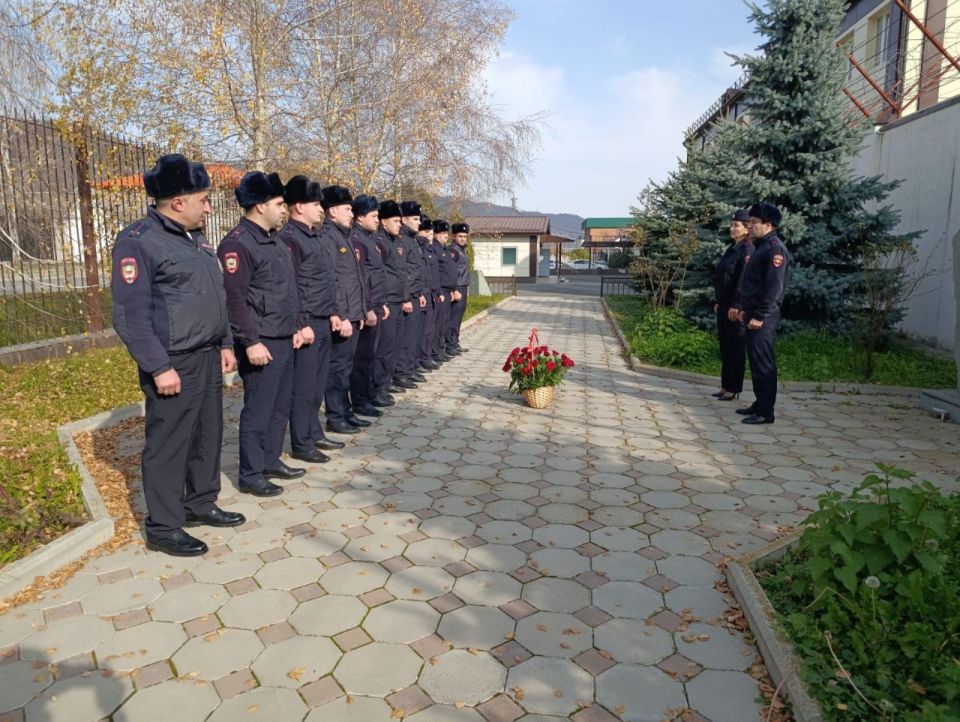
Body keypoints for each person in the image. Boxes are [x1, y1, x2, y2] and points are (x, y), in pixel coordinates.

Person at [112, 154, 243, 557]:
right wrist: (159, 365)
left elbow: (214, 298)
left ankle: (200, 502)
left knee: (207, 435)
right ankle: (164, 526)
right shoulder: (138, 241)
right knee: (168, 445)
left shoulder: (196, 239)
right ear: (178, 201)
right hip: (173, 362)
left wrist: (224, 343)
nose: (209, 206)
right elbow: (131, 316)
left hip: (205, 355)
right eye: (204, 199)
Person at [219, 171, 305, 498]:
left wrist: (296, 326)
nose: (284, 210)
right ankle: (251, 473)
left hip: (283, 336)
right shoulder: (238, 244)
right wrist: (250, 342)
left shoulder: (275, 240)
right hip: (261, 342)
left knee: (279, 405)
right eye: (280, 203)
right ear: (259, 206)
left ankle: (270, 460)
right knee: (258, 409)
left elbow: (287, 290)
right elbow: (235, 299)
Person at [279, 176, 345, 465]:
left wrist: (331, 311)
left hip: (321, 319)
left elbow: (323, 281)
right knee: (304, 387)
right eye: (316, 204)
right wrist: (299, 323)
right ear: (298, 207)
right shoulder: (290, 239)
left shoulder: (313, 236)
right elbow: (292, 286)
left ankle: (313, 432)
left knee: (317, 384)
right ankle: (301, 442)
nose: (321, 209)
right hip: (306, 323)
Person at [321, 185, 370, 435]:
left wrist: (359, 312)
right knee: (337, 369)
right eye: (347, 209)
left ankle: (345, 410)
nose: (352, 213)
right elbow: (333, 282)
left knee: (345, 368)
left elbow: (354, 279)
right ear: (332, 211)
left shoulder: (344, 236)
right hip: (343, 317)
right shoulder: (328, 237)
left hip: (353, 314)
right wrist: (341, 315)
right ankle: (335, 415)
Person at [736, 202, 789, 425]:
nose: (751, 226)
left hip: (763, 317)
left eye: (755, 223)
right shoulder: (761, 246)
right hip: (753, 313)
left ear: (768, 225)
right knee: (756, 362)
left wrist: (760, 316)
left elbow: (774, 288)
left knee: (763, 363)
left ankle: (766, 412)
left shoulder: (775, 249)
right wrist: (744, 311)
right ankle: (760, 402)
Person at [349, 194, 389, 417]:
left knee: (371, 356)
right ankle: (360, 401)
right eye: (374, 216)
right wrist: (369, 307)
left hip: (376, 305)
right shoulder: (357, 240)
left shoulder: (369, 239)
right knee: (362, 359)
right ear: (360, 217)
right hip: (367, 308)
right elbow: (361, 279)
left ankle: (369, 395)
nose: (377, 220)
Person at [712, 209, 754, 401]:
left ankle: (733, 388)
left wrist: (737, 304)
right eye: (732, 224)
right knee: (726, 346)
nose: (732, 228)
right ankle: (725, 385)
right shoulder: (733, 248)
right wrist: (720, 302)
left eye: (736, 225)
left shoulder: (747, 249)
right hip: (725, 304)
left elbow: (742, 280)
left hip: (736, 307)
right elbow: (724, 277)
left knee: (736, 348)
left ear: (746, 228)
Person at [374, 200, 410, 401]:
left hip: (398, 300)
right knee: (384, 348)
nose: (399, 224)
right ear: (383, 221)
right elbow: (380, 275)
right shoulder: (379, 241)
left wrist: (405, 297)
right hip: (387, 302)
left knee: (394, 345)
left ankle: (387, 382)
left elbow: (401, 273)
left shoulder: (397, 242)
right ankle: (379, 387)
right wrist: (383, 301)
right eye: (395, 221)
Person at [397, 200, 428, 385]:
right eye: (415, 219)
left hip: (416, 295)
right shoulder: (401, 240)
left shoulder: (412, 240)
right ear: (404, 219)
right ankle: (401, 372)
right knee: (405, 339)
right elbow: (403, 272)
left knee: (413, 337)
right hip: (407, 297)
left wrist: (420, 293)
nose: (419, 222)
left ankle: (409, 368)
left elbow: (417, 270)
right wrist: (406, 296)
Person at [417, 215, 442, 371]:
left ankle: (426, 356)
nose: (428, 236)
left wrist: (437, 291)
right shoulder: (421, 249)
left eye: (430, 233)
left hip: (431, 294)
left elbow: (434, 274)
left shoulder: (429, 249)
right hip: (422, 294)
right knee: (423, 330)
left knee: (430, 329)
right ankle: (421, 359)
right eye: (426, 232)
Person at [433, 219, 457, 363]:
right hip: (441, 291)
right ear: (435, 234)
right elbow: (437, 273)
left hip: (448, 291)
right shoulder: (435, 249)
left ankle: (440, 349)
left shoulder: (444, 249)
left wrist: (453, 289)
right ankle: (436, 352)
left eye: (446, 233)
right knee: (438, 324)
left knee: (444, 323)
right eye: (442, 233)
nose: (446, 236)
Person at [446, 222, 471, 354]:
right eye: (460, 236)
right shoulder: (453, 251)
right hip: (457, 288)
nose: (463, 239)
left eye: (465, 236)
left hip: (463, 286)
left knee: (459, 317)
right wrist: (454, 289)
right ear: (454, 236)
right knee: (454, 317)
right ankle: (450, 344)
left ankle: (455, 341)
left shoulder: (461, 250)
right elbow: (451, 272)